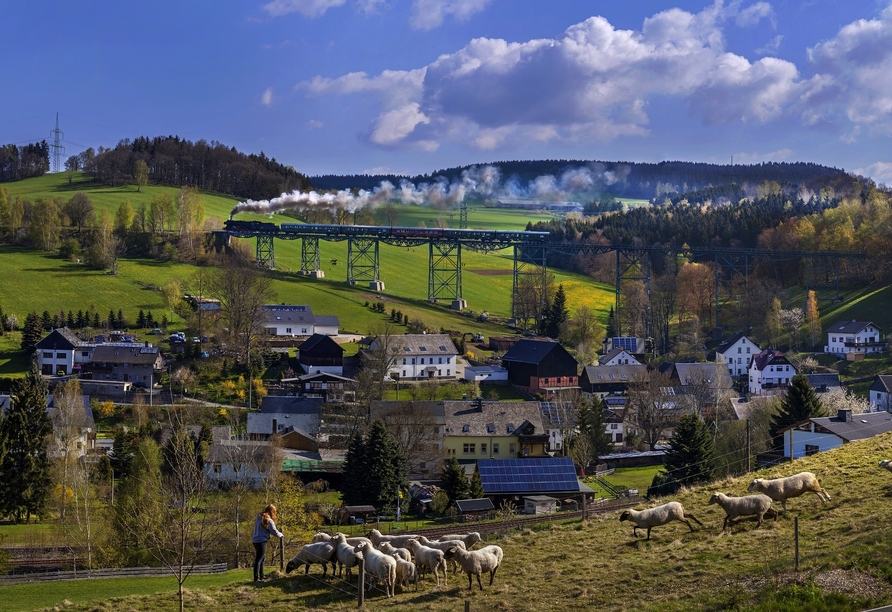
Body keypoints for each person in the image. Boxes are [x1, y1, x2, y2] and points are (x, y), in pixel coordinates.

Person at [252, 504, 284, 582]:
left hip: (255, 540)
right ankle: (256, 578)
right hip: (262, 541)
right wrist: (281, 535)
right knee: (259, 559)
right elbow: (274, 531)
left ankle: (261, 575)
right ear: (272, 511)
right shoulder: (269, 520)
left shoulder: (259, 517)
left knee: (262, 558)